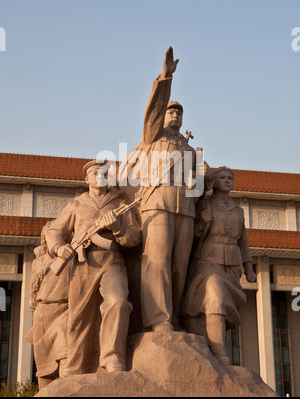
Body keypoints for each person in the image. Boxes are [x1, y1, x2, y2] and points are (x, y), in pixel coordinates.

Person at [127, 46, 213, 332]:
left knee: (179, 266)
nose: (174, 115)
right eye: (170, 111)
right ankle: (158, 319)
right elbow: (152, 109)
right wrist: (166, 77)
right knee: (157, 261)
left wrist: (202, 178)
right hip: (157, 202)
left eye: (179, 112)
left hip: (185, 207)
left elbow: (202, 186)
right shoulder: (152, 137)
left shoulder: (188, 149)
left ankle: (174, 318)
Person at [45, 160, 141, 375]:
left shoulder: (119, 204)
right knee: (79, 317)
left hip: (112, 260)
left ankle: (113, 358)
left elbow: (135, 237)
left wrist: (118, 228)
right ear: (86, 179)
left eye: (104, 173)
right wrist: (60, 249)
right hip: (82, 264)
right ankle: (75, 367)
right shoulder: (76, 205)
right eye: (95, 173)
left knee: (117, 302)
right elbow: (54, 232)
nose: (100, 176)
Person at [181, 166, 256, 364]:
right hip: (208, 260)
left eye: (230, 178)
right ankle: (219, 352)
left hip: (231, 265)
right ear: (214, 181)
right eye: (222, 177)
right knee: (214, 293)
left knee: (222, 302)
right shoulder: (204, 205)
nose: (226, 180)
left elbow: (244, 241)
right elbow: (189, 236)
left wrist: (248, 267)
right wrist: (200, 224)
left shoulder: (238, 210)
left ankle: (214, 347)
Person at [26, 221, 70, 388]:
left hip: (64, 310)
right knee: (43, 364)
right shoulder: (38, 262)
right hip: (43, 313)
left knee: (65, 352)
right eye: (46, 237)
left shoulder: (71, 259)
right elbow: (32, 293)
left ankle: (66, 388)